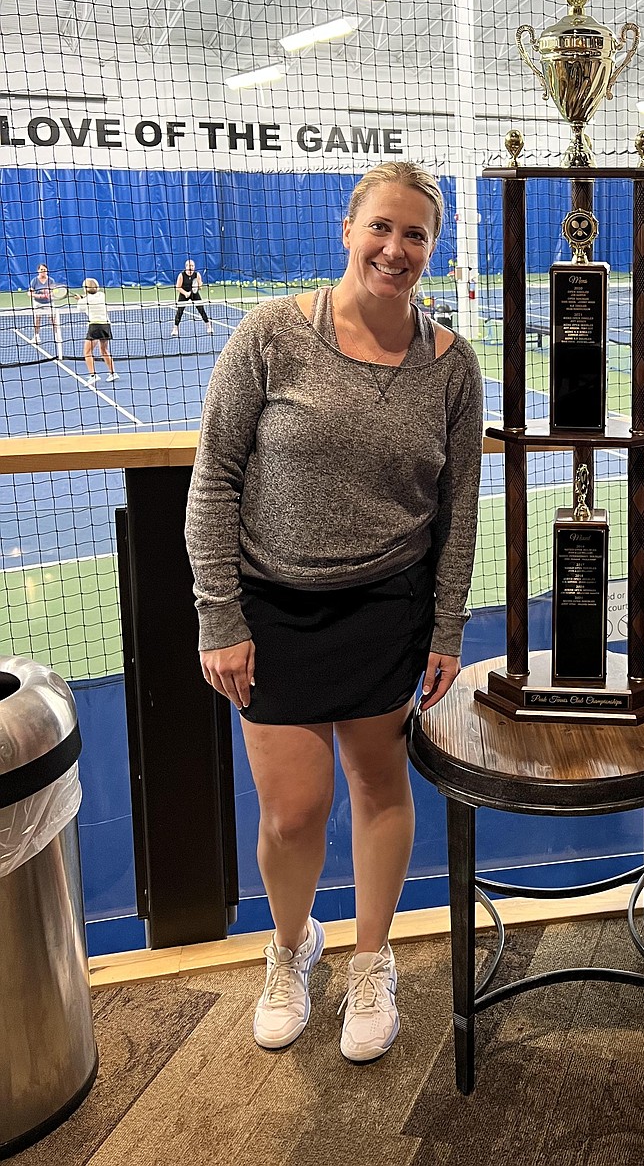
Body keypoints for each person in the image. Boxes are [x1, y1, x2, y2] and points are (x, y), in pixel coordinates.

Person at [186, 162, 482, 1065]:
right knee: (291, 813)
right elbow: (214, 483)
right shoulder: (272, 335)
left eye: (416, 235)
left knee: (380, 790)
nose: (396, 250)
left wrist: (444, 629)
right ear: (347, 230)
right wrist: (220, 619)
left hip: (388, 611)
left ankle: (369, 960)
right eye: (381, 229)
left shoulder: (451, 365)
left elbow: (459, 509)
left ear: (431, 249)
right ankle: (291, 948)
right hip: (271, 615)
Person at [76, 279, 118, 384]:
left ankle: (93, 375)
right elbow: (91, 297)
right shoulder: (101, 295)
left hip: (94, 326)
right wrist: (83, 298)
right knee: (104, 350)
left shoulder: (83, 301)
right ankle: (113, 373)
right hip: (106, 326)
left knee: (87, 352)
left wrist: (79, 300)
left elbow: (80, 308)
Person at [172, 259, 213, 335]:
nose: (191, 267)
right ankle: (175, 328)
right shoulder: (181, 275)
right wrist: (185, 293)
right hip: (184, 293)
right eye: (190, 266)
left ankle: (209, 326)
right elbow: (178, 287)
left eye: (193, 266)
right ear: (186, 266)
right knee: (179, 311)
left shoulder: (197, 275)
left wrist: (199, 285)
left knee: (201, 309)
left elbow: (200, 286)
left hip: (194, 293)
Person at [28, 264, 62, 353]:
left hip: (49, 303)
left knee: (53, 319)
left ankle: (57, 335)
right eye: (41, 269)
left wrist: (49, 294)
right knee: (37, 319)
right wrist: (38, 295)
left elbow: (54, 292)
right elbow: (29, 293)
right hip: (37, 303)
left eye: (45, 269)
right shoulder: (34, 281)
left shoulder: (51, 280)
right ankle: (36, 336)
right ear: (38, 271)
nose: (43, 271)